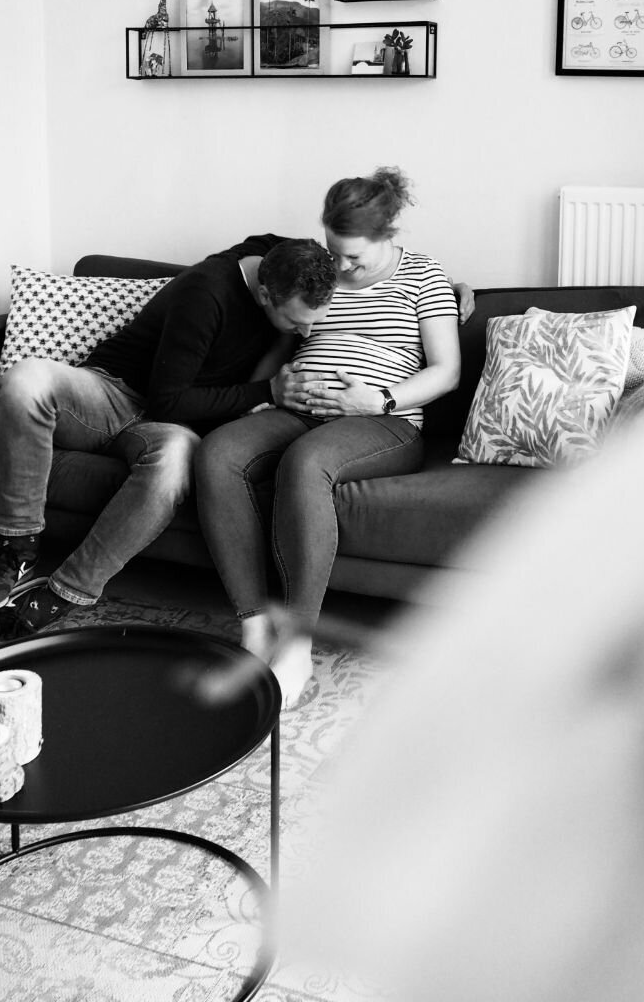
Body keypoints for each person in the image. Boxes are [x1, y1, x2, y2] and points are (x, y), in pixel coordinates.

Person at [0, 236, 337, 643]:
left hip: (167, 432)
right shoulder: (207, 292)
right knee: (24, 380)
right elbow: (168, 402)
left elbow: (277, 242)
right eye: (296, 322)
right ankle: (17, 548)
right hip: (115, 394)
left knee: (178, 460)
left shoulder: (275, 258)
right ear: (266, 293)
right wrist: (267, 392)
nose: (307, 331)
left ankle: (63, 594)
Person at [194, 168, 462, 709]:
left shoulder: (424, 277)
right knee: (218, 451)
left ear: (389, 236)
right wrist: (274, 386)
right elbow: (282, 331)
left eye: (354, 258)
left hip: (382, 421)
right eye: (334, 252)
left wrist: (380, 399)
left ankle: (297, 644)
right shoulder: (321, 272)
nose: (340, 268)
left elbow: (447, 371)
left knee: (306, 462)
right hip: (300, 409)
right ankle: (254, 631)